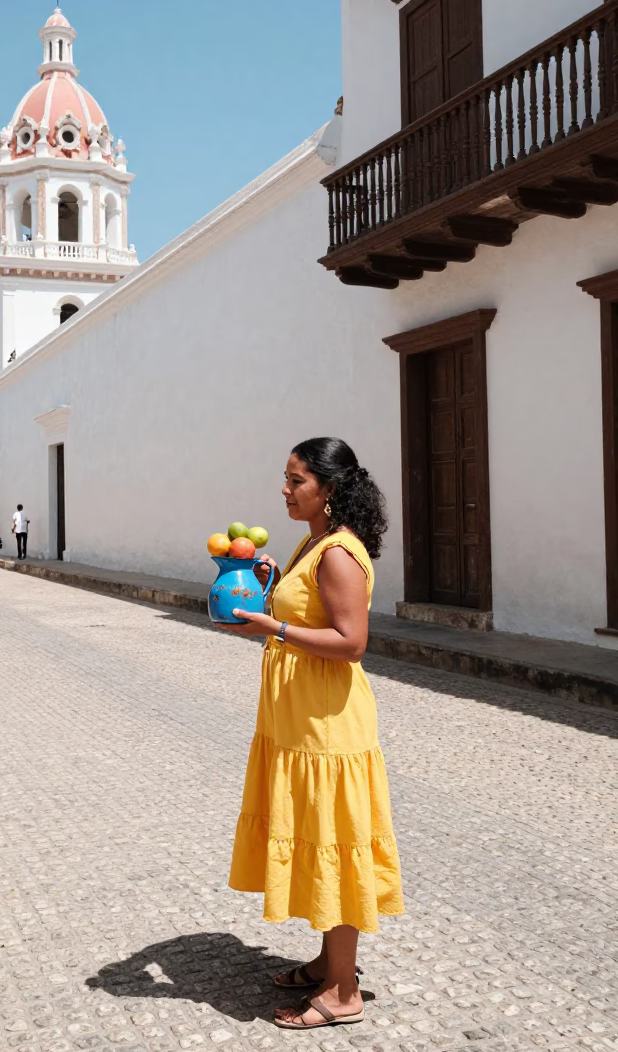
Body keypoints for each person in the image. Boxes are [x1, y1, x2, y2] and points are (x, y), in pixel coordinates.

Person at [222, 438, 403, 1031]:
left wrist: (274, 624)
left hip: (328, 729)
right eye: (286, 477)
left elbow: (351, 643)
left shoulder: (338, 553)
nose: (285, 489)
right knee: (315, 840)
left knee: (334, 846)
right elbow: (313, 616)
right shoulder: (313, 544)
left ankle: (344, 991)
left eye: (296, 479)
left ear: (328, 488)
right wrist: (276, 587)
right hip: (301, 723)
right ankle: (331, 962)